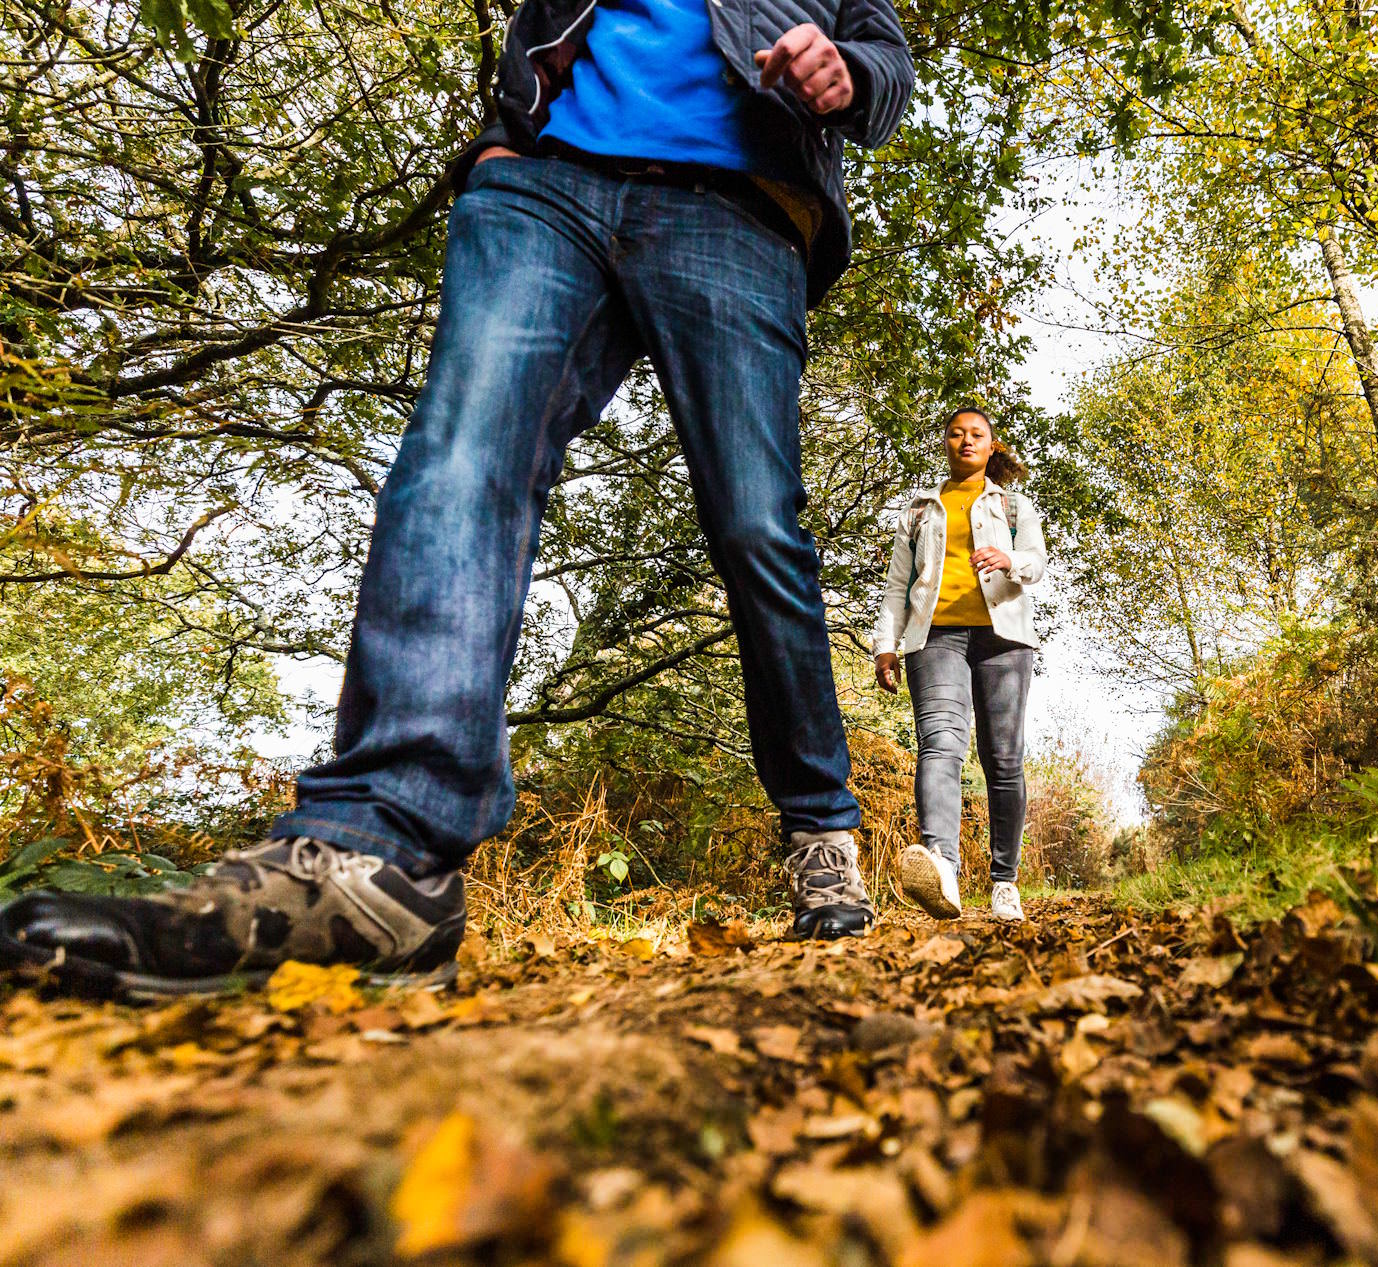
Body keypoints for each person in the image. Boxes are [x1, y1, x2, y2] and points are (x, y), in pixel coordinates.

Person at [0, 0, 915, 998]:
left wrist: (847, 75)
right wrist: (498, 150)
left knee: (755, 527)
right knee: (459, 461)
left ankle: (820, 828)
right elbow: (541, 36)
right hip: (547, 188)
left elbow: (887, 63)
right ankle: (387, 852)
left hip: (741, 209)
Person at [873, 407, 1047, 923]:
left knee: (1003, 757)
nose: (965, 441)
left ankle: (1004, 882)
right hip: (934, 638)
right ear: (945, 443)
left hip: (1004, 640)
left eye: (976, 434)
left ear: (992, 446)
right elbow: (897, 585)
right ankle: (942, 867)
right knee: (940, 744)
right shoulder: (920, 510)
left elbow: (1036, 563)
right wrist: (885, 645)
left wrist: (1008, 559)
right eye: (956, 434)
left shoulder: (1013, 506)